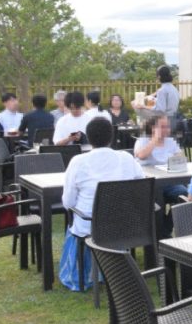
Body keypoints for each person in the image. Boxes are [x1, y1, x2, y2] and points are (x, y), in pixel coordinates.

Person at [58, 117, 144, 291]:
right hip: (123, 224)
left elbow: (68, 202)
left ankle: (86, 272)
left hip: (91, 225)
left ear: (88, 138)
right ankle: (116, 269)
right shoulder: (126, 159)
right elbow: (140, 186)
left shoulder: (78, 162)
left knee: (74, 222)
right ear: (112, 136)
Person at [134, 112, 189, 216]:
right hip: (149, 183)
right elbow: (141, 155)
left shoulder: (170, 141)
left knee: (184, 193)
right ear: (153, 128)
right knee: (157, 197)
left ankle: (169, 223)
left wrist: (177, 158)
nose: (166, 129)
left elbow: (180, 158)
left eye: (167, 126)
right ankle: (159, 225)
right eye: (162, 127)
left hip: (169, 181)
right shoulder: (143, 141)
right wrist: (155, 139)